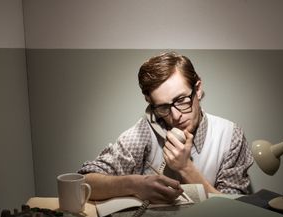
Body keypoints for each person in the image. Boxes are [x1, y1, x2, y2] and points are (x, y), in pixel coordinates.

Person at [79, 51, 253, 203]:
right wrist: (134, 184)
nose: (176, 116)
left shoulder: (230, 136)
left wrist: (186, 168)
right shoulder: (141, 135)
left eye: (181, 100)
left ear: (198, 89)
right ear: (152, 104)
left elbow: (234, 211)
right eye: (163, 107)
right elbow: (84, 183)